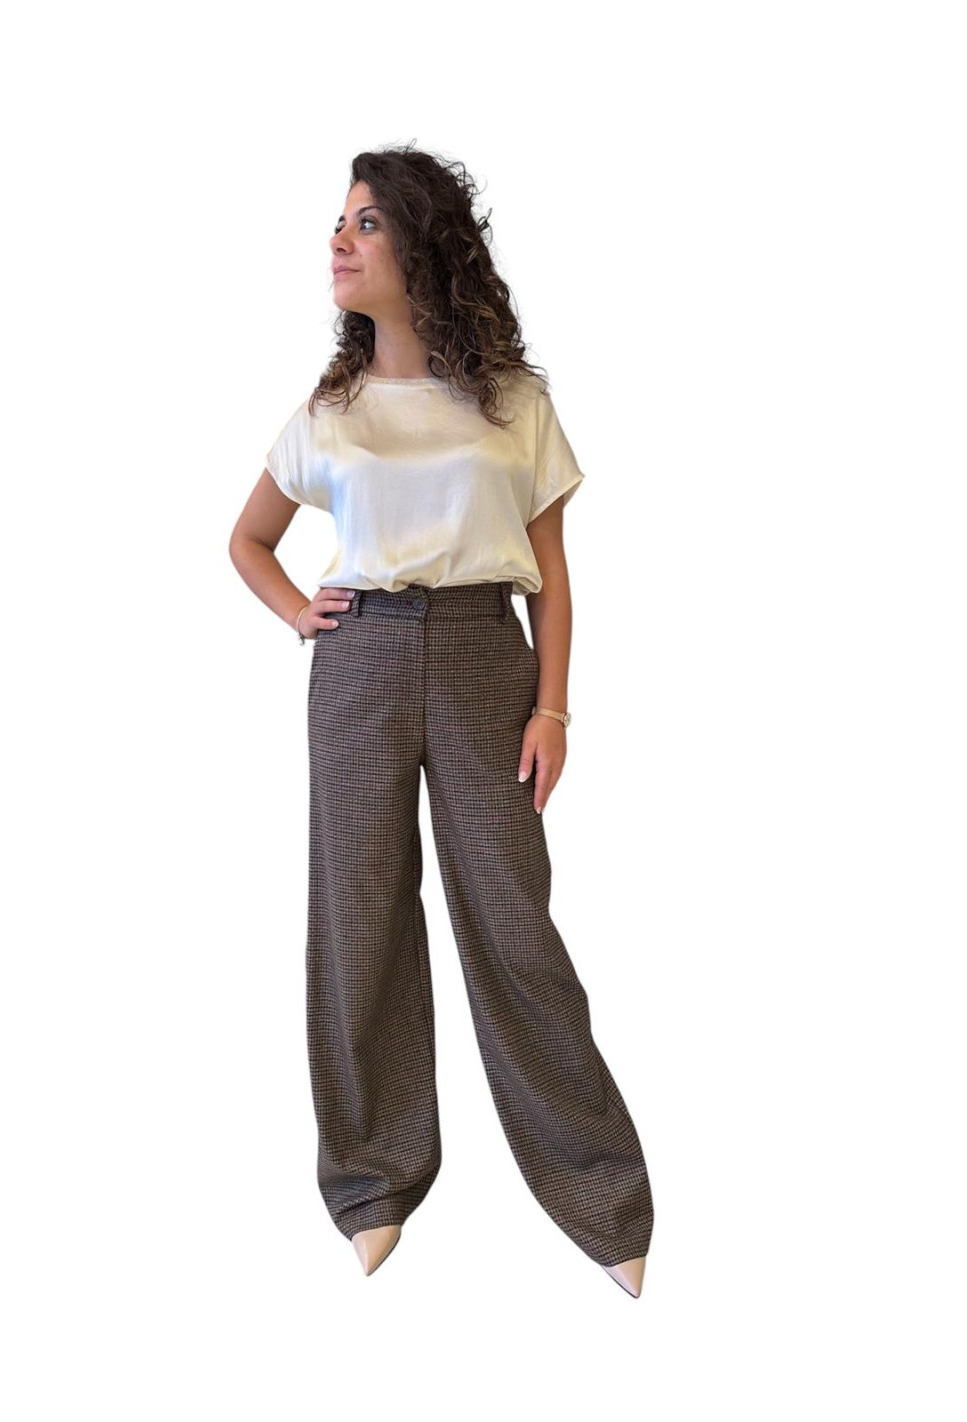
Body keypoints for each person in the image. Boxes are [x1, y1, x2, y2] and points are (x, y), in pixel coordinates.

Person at [228, 145, 654, 1297]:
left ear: (422, 244)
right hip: (357, 658)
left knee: (511, 917)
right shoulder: (328, 411)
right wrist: (298, 611)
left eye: (365, 222)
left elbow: (551, 578)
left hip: (480, 651)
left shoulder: (512, 400)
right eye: (338, 221)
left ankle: (599, 1194)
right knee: (357, 913)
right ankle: (372, 1182)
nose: (339, 240)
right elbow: (246, 540)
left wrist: (553, 706)